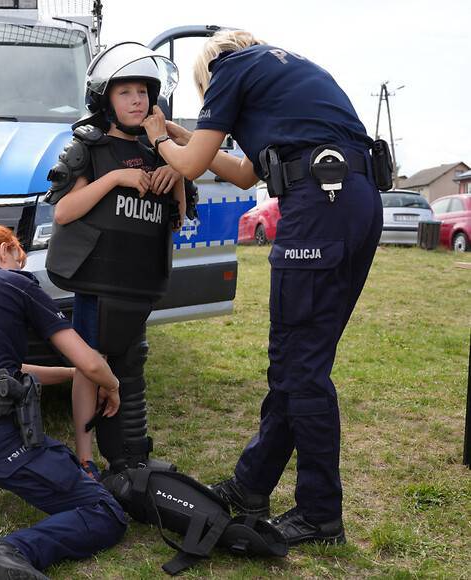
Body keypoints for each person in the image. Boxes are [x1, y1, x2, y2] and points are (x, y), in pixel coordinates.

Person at [141, 30, 384, 545]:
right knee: (300, 360)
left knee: (300, 366)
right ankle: (252, 485)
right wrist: (187, 135)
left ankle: (320, 514)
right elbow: (246, 173)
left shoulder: (229, 69)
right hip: (355, 199)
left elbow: (186, 167)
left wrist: (158, 133)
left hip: (319, 204)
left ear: (210, 71)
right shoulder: (285, 71)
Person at [0, 222, 126, 579]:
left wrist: (73, 376)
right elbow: (89, 359)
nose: (22, 266)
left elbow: (5, 370)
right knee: (105, 512)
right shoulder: (15, 284)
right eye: (19, 258)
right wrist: (110, 382)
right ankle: (11, 551)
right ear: (4, 251)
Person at [45, 42, 185, 477]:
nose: (137, 99)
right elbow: (64, 211)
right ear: (106, 97)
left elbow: (176, 220)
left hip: (137, 283)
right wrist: (118, 178)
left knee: (131, 365)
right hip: (98, 283)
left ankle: (130, 456)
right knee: (91, 364)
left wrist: (175, 173)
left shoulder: (159, 149)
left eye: (143, 91)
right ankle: (85, 459)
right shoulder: (90, 147)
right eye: (125, 92)